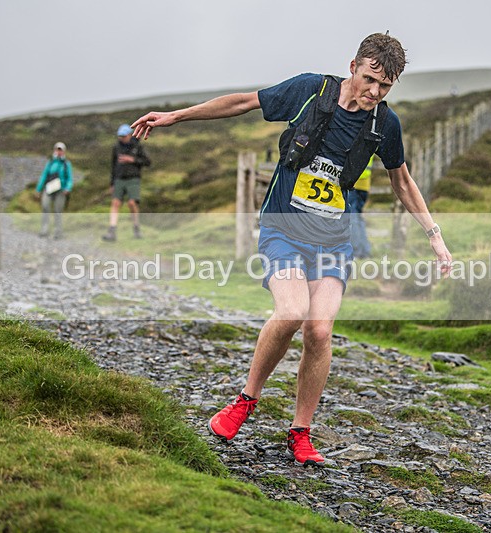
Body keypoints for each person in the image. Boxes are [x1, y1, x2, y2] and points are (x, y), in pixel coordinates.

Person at [131, 32, 451, 467]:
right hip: (283, 228)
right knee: (291, 312)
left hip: (334, 240)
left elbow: (402, 180)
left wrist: (434, 235)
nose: (375, 92)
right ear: (353, 65)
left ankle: (301, 432)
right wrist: (177, 116)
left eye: (386, 87)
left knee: (319, 331)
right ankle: (246, 400)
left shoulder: (384, 125)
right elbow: (243, 102)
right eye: (370, 79)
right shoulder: (309, 91)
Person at [102, 124, 151, 241]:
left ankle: (136, 228)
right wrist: (112, 183)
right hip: (119, 179)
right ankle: (112, 231)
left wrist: (132, 160)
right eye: (120, 136)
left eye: (123, 136)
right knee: (115, 203)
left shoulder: (137, 146)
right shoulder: (116, 147)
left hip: (133, 179)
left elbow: (147, 162)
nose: (121, 138)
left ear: (129, 135)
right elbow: (113, 166)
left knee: (132, 203)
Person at [36, 142, 73, 239]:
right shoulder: (50, 162)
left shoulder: (66, 164)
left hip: (60, 190)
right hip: (49, 188)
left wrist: (67, 188)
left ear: (64, 151)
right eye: (57, 149)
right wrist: (39, 189)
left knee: (58, 210)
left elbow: (70, 178)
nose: (59, 152)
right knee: (45, 207)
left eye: (61, 150)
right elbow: (44, 175)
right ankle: (44, 230)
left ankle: (58, 232)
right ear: (55, 150)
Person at [346, 155, 374, 259]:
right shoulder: (373, 139)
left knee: (352, 216)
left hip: (354, 182)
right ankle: (365, 251)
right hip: (365, 185)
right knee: (358, 217)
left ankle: (356, 251)